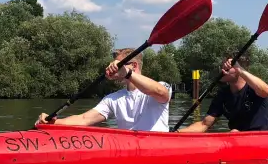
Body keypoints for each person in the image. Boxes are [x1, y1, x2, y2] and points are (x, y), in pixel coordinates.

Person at [36, 48, 172, 132]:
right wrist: (54, 122)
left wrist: (127, 73)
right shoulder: (113, 98)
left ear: (133, 65)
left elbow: (160, 93)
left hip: (157, 146)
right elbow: (84, 119)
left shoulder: (162, 86)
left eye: (119, 65)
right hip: (128, 148)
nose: (114, 68)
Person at [178, 50, 268, 133]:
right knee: (234, 132)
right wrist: (175, 133)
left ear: (239, 68)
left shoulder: (254, 88)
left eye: (228, 66)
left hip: (262, 139)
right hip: (236, 138)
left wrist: (240, 70)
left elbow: (267, 91)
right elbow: (204, 124)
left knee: (234, 132)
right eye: (222, 65)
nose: (222, 69)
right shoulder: (222, 94)